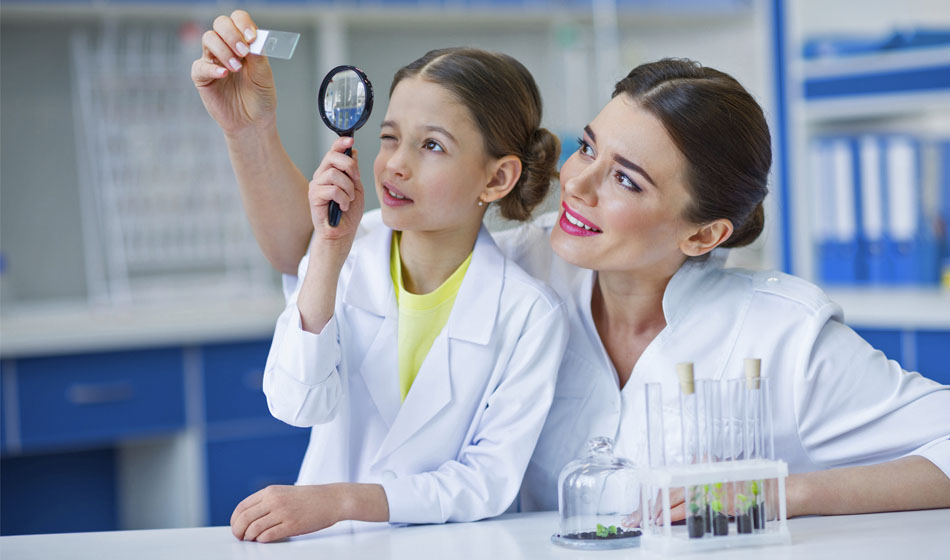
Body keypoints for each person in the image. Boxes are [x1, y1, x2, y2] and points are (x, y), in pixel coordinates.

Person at [195, 11, 950, 525]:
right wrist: (249, 128)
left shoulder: (784, 336)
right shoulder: (525, 263)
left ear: (705, 233)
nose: (578, 184)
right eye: (589, 147)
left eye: (627, 179)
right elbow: (314, 250)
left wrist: (783, 491)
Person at [194, 14, 569, 542]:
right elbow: (295, 404)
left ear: (497, 177)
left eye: (432, 145)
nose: (395, 164)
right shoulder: (346, 256)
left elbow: (488, 482)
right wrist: (326, 250)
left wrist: (344, 500)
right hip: (326, 547)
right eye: (389, 137)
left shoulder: (530, 314)